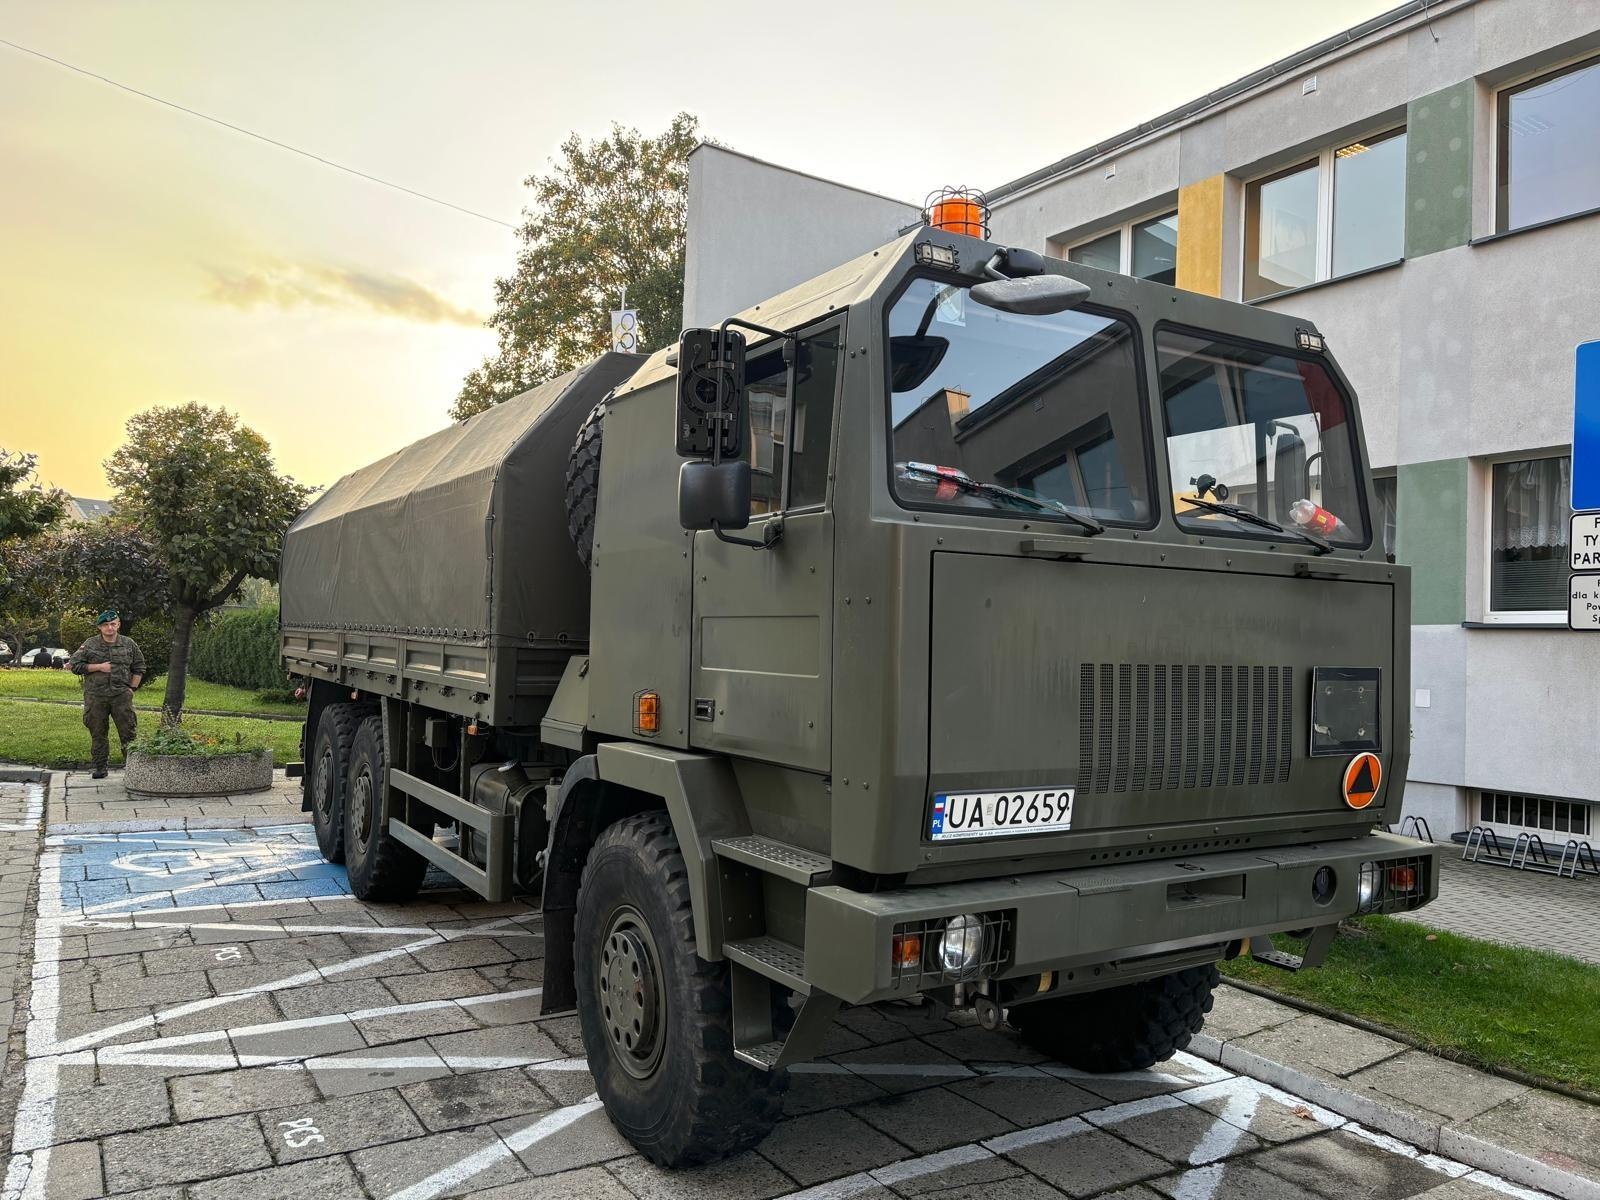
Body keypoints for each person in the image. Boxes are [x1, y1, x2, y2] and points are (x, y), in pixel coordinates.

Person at [69, 610, 145, 780]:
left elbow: (139, 667)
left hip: (121, 696)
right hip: (96, 697)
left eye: (113, 624)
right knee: (98, 733)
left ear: (118, 625)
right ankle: (100, 767)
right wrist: (98, 667)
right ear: (99, 627)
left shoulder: (128, 643)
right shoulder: (90, 644)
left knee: (129, 733)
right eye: (105, 625)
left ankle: (133, 769)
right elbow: (74, 665)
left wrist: (132, 689)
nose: (109, 628)